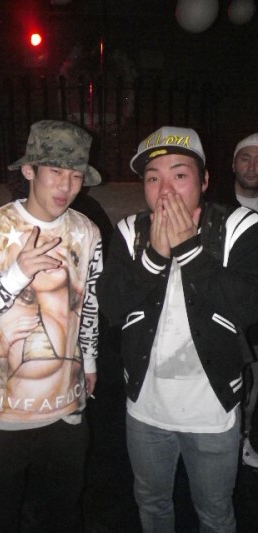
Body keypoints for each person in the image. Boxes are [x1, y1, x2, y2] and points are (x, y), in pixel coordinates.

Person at [0, 120, 103, 532]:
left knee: (64, 517)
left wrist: (90, 360)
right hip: (1, 417)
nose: (66, 185)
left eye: (76, 175)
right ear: (29, 170)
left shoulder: (87, 232)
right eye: (56, 171)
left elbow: (88, 302)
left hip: (66, 411)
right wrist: (15, 276)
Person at [96, 125, 258, 532]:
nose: (165, 191)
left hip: (213, 410)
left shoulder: (241, 226)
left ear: (204, 180)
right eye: (153, 178)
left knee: (215, 514)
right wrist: (153, 256)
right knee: (151, 505)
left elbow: (248, 305)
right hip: (146, 409)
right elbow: (110, 306)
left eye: (179, 175)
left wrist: (188, 249)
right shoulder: (129, 231)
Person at [213, 133, 258, 467]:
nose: (253, 167)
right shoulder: (215, 206)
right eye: (246, 158)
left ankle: (248, 436)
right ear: (233, 164)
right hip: (225, 310)